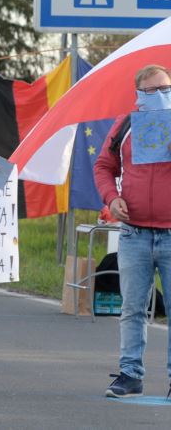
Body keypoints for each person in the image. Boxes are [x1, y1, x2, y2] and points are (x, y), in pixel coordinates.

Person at [95, 64, 171, 400]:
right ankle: (130, 374)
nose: (161, 96)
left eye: (166, 89)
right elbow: (103, 166)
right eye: (153, 90)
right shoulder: (125, 124)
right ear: (138, 93)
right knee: (133, 307)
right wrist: (112, 199)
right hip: (134, 233)